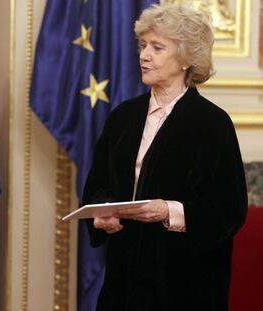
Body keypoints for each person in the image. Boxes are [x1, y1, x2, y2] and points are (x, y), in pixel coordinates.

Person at [82, 4, 247, 311]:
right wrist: (103, 212)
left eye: (157, 47)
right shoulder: (122, 116)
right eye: (143, 45)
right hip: (124, 281)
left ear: (185, 58)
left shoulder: (213, 123)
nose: (144, 55)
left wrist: (169, 211)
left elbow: (229, 209)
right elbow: (98, 185)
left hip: (186, 285)